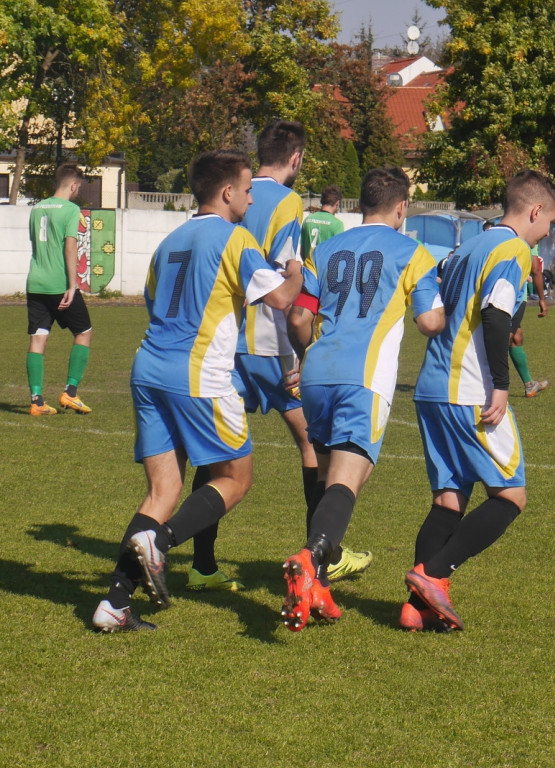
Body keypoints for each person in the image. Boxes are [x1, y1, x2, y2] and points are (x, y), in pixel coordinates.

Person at [92, 149, 303, 632]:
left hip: (148, 367)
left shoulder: (169, 241)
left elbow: (152, 300)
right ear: (227, 192)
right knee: (235, 478)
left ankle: (114, 605)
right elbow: (281, 298)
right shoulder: (235, 238)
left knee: (162, 490)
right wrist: (296, 267)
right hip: (198, 374)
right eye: (248, 190)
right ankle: (160, 543)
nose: (251, 199)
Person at [188, 121, 371, 591]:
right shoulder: (288, 203)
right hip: (269, 346)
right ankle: (323, 555)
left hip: (225, 344)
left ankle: (202, 564)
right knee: (313, 444)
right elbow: (287, 278)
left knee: (214, 459)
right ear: (296, 159)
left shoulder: (229, 195)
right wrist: (297, 355)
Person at [279, 166, 444, 632]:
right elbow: (429, 323)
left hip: (316, 375)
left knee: (330, 477)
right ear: (401, 207)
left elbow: (297, 319)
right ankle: (310, 562)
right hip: (362, 378)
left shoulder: (326, 249)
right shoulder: (412, 252)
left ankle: (320, 586)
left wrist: (304, 355)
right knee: (347, 484)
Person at [402, 169, 555, 632]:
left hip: (432, 387)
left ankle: (415, 610)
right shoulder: (513, 248)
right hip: (469, 390)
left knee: (449, 499)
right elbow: (494, 315)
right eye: (549, 221)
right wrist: (500, 383)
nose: (548, 232)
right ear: (534, 211)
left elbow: (429, 291)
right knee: (511, 495)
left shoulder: (467, 244)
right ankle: (432, 575)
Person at [25, 163, 93, 416]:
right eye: (78, 187)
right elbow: (69, 247)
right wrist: (72, 285)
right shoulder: (71, 209)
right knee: (84, 332)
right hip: (58, 284)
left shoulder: (36, 208)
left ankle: (37, 400)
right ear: (74, 185)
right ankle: (70, 393)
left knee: (38, 338)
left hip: (35, 283)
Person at [510, 245, 550, 397]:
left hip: (506, 294)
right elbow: (536, 270)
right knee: (504, 339)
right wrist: (541, 298)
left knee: (515, 336)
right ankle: (487, 387)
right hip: (514, 297)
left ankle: (529, 384)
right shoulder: (529, 239)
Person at [300, 185, 345, 261]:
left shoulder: (307, 220)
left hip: (309, 269)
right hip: (325, 270)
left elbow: (302, 251)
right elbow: (338, 254)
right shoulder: (337, 224)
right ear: (337, 203)